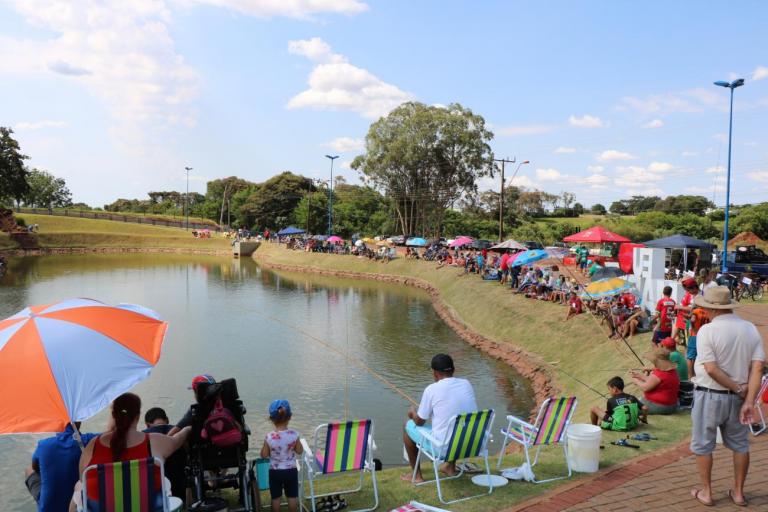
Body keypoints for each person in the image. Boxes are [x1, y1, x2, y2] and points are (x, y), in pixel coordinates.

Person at [689, 286, 765, 507]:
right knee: (740, 445)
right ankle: (739, 493)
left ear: (709, 308)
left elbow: (711, 369)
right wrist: (748, 399)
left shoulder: (707, 331)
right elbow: (758, 367)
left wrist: (736, 388)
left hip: (709, 395)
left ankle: (707, 492)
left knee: (703, 445)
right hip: (739, 399)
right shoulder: (750, 328)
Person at [71, 393, 190, 511]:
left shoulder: (93, 446)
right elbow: (176, 440)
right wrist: (186, 429)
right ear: (138, 416)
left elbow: (82, 479)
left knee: (79, 485)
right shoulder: (153, 442)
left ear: (113, 415)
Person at [402, 354, 477, 484]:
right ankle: (450, 467)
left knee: (407, 426)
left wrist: (412, 413)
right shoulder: (466, 384)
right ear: (453, 370)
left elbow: (419, 422)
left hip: (444, 449)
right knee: (457, 427)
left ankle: (417, 475)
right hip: (472, 444)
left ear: (435, 373)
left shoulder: (431, 389)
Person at [25, 423, 98, 512]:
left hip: (48, 508)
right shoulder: (91, 440)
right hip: (80, 501)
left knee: (29, 470)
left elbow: (34, 467)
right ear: (79, 422)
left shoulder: (43, 444)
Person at [261, 400, 302, 512]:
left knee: (276, 498)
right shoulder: (294, 434)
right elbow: (300, 451)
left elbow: (264, 455)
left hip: (275, 472)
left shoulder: (269, 437)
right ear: (290, 417)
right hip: (291, 471)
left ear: (271, 419)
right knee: (292, 497)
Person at [142, 407, 187, 503]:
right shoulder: (180, 431)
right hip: (180, 487)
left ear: (147, 424)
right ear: (167, 420)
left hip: (155, 491)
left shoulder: (143, 436)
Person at [630, 348, 680, 415]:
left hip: (661, 406)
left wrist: (635, 380)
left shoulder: (660, 374)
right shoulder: (670, 371)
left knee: (631, 409)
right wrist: (639, 376)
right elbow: (653, 381)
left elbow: (645, 388)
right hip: (670, 404)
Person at [685, 304, 710, 379]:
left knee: (689, 357)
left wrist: (689, 320)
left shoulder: (695, 311)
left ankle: (690, 376)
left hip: (694, 335)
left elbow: (693, 320)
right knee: (697, 355)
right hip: (703, 336)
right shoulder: (706, 312)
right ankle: (695, 374)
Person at [672, 278, 698, 342]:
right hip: (685, 320)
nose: (688, 292)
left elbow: (693, 308)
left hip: (692, 322)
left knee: (689, 341)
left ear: (694, 287)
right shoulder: (690, 294)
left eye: (689, 290)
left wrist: (679, 307)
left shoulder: (699, 295)